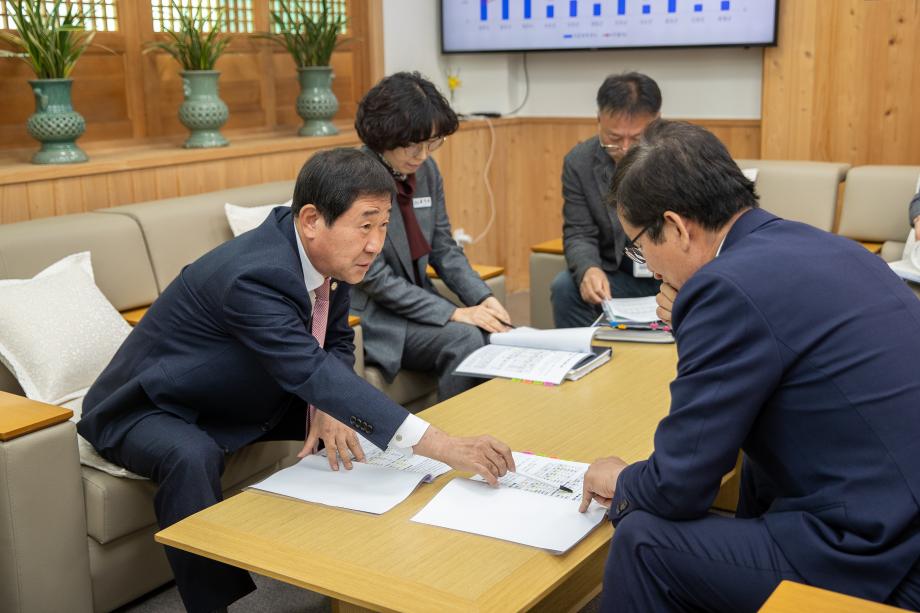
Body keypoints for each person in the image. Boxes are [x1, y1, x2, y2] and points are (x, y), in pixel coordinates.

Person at [77, 149, 516, 613]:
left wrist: (326, 407)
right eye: (365, 225)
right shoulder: (255, 275)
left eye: (383, 225)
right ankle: (211, 606)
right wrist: (444, 446)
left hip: (233, 391)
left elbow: (337, 344)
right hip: (150, 405)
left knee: (351, 425)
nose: (375, 243)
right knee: (191, 453)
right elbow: (309, 369)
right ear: (311, 219)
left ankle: (360, 561)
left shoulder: (327, 258)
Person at [579, 120, 920, 611]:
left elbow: (680, 486)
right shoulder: (824, 244)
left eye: (638, 244)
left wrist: (621, 478)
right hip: (895, 508)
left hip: (879, 553)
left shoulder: (725, 288)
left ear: (675, 227)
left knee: (643, 540)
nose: (648, 266)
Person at [352, 71, 512, 401]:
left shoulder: (426, 172)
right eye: (413, 144)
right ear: (384, 134)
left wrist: (481, 298)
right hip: (375, 315)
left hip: (416, 301)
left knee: (492, 331)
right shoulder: (356, 177)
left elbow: (444, 246)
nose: (423, 155)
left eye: (432, 143)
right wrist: (453, 313)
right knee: (465, 338)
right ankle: (450, 441)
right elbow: (374, 277)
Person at [551, 72, 662, 328]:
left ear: (656, 122)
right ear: (599, 120)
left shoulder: (681, 156)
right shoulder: (580, 162)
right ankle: (586, 360)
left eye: (636, 139)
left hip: (673, 276)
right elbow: (579, 231)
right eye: (613, 139)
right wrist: (589, 269)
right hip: (620, 274)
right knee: (566, 287)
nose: (624, 150)